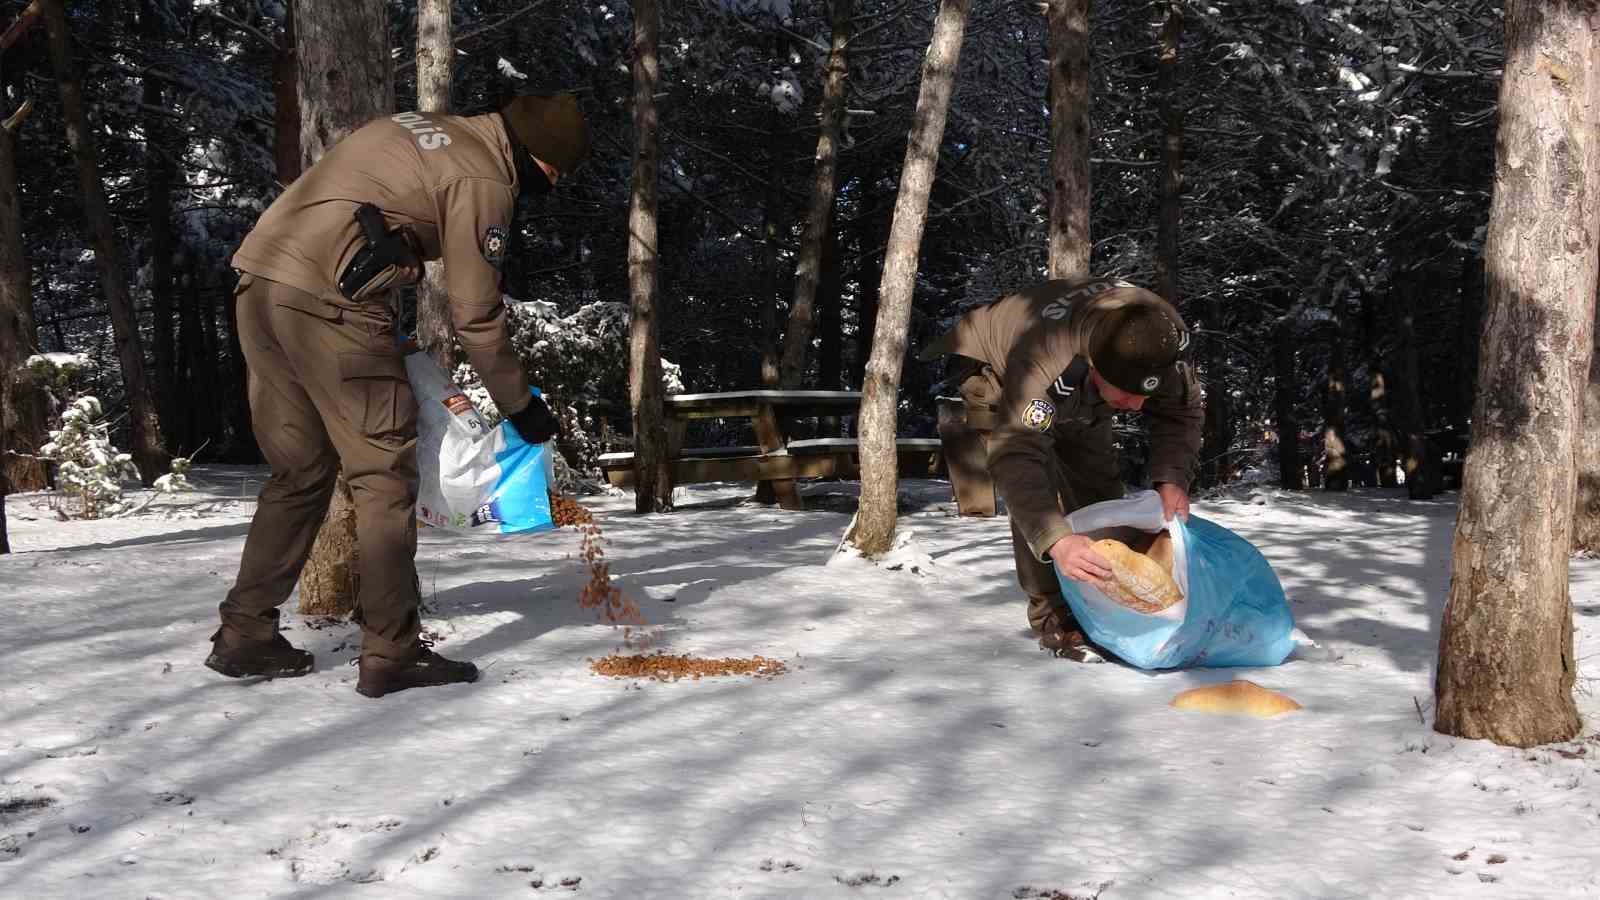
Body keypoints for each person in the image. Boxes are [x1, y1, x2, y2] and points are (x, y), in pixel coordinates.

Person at [207, 94, 591, 697]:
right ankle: (392, 651)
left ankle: (244, 635)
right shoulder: (485, 175)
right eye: (555, 173)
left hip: (261, 285)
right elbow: (476, 317)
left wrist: (397, 340)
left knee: (300, 473)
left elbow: (366, 226)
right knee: (382, 477)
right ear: (537, 157)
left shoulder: (428, 128)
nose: (552, 184)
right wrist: (521, 406)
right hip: (329, 305)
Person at [919, 275, 1204, 662]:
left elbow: (1180, 411)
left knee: (1099, 491)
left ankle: (1107, 602)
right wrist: (1057, 540)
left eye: (1145, 395)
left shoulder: (1162, 341)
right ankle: (1056, 619)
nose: (1137, 407)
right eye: (1127, 394)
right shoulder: (1046, 365)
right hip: (998, 362)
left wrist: (1171, 477)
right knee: (1039, 509)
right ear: (1095, 367)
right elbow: (1016, 456)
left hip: (1079, 375)